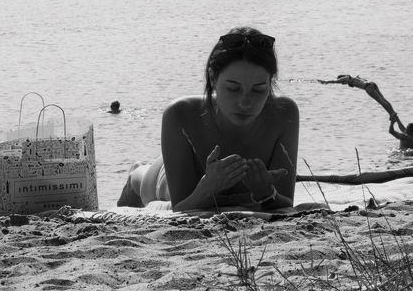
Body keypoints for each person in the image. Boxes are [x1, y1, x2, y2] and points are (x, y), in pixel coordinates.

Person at [118, 27, 299, 211]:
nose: (245, 102)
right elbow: (181, 208)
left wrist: (266, 192)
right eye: (233, 89)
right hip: (163, 177)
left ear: (270, 84)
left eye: (259, 90)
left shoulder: (284, 114)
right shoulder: (180, 113)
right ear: (213, 78)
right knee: (143, 181)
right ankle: (136, 171)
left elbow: (285, 203)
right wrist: (208, 187)